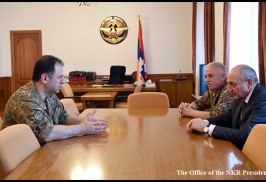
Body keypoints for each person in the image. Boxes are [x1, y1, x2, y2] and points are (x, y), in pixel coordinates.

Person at [2, 55, 109, 145]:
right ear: (44, 78)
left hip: (40, 149)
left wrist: (85, 122)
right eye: (60, 77)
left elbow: (63, 117)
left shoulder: (49, 94)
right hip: (21, 158)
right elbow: (47, 134)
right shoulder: (25, 98)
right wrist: (82, 129)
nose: (63, 82)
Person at [186, 64, 266, 150]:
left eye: (232, 84)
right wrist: (202, 122)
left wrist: (206, 128)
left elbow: (245, 135)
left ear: (249, 83)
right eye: (228, 84)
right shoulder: (240, 94)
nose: (228, 89)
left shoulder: (263, 98)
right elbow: (225, 118)